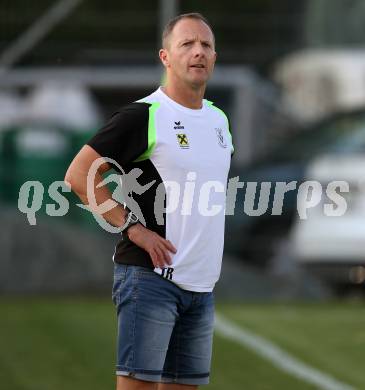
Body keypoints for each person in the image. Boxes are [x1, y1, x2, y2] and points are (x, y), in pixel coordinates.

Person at [65, 12, 234, 390]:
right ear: (166, 57)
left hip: (201, 288)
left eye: (206, 45)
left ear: (215, 57)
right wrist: (133, 229)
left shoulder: (219, 120)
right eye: (186, 44)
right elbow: (78, 176)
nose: (198, 52)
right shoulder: (143, 115)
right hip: (150, 280)